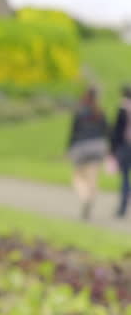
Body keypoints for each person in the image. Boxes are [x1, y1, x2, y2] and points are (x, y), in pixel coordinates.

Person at [67, 87, 110, 220]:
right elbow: (107, 130)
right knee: (93, 178)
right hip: (98, 148)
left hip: (81, 148)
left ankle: (85, 197)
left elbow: (73, 132)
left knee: (77, 177)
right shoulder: (100, 112)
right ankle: (90, 198)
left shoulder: (80, 112)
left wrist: (69, 148)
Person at [109, 85, 131, 218]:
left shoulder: (122, 109)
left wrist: (112, 149)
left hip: (126, 146)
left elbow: (116, 131)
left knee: (125, 177)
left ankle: (122, 206)